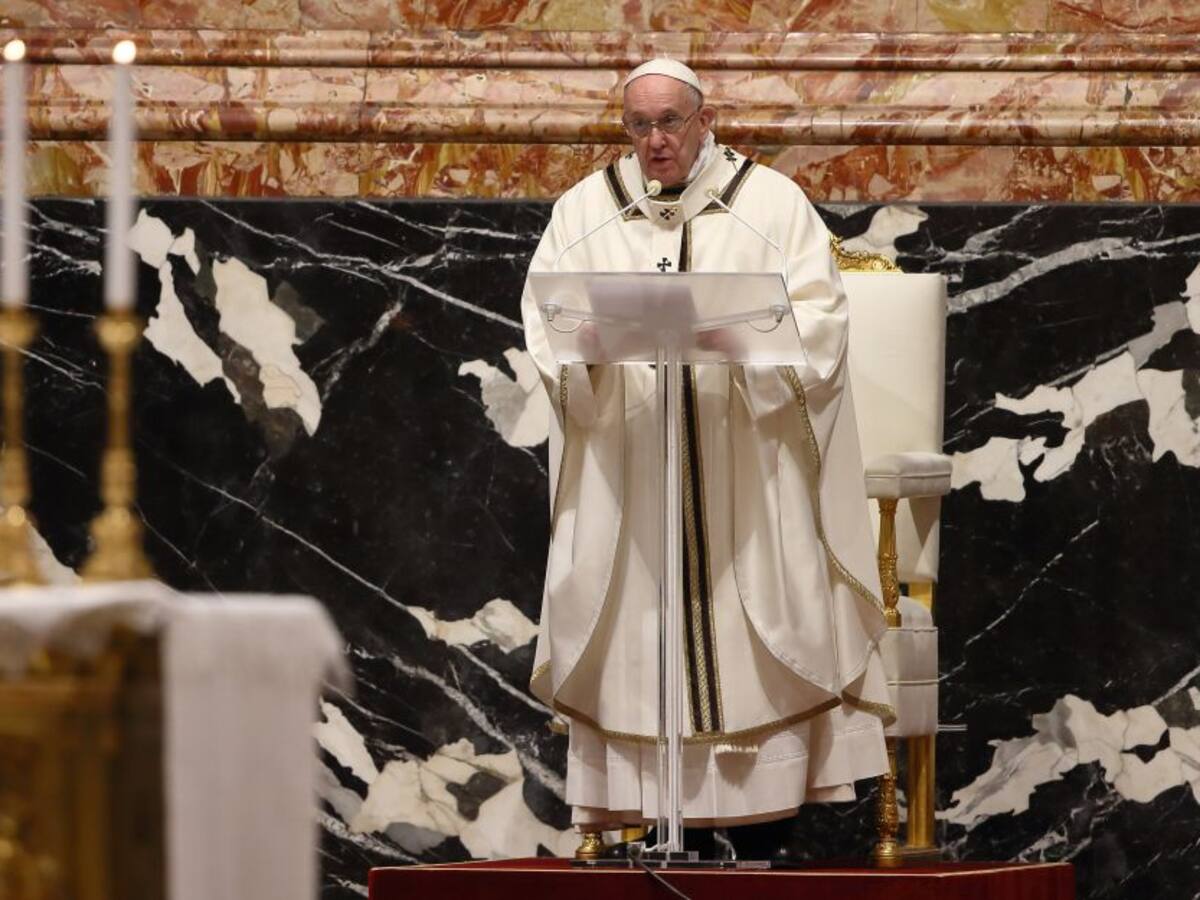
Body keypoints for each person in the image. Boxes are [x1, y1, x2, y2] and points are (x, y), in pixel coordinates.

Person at [521, 58, 894, 858]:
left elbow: (821, 322)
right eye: (638, 126)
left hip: (745, 478)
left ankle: (757, 832)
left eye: (670, 122)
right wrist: (586, 354)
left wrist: (743, 344)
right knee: (632, 633)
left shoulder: (772, 205)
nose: (655, 142)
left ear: (705, 117)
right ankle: (649, 823)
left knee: (757, 623)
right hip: (633, 478)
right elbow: (547, 322)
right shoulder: (584, 212)